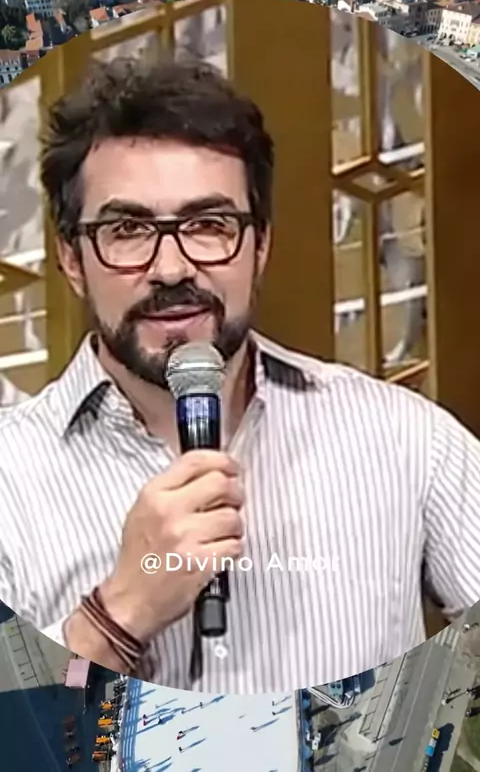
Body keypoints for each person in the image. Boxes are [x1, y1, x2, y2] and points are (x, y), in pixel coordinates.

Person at [0, 56, 480, 695]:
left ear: (261, 245)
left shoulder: (407, 438)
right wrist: (118, 615)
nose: (172, 268)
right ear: (71, 258)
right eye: (128, 229)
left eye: (208, 224)